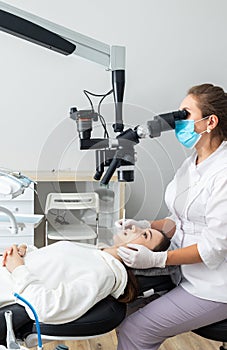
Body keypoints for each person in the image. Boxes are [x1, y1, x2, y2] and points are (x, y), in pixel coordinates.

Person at [116, 83, 227, 350]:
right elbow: (179, 220)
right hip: (183, 273)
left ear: (210, 122)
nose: (177, 122)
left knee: (135, 330)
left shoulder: (224, 173)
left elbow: (215, 246)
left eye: (184, 114)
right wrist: (143, 224)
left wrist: (158, 258)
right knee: (121, 308)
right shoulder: (192, 164)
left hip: (214, 286)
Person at [0, 225, 170, 327]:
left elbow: (47, 308)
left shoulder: (104, 274)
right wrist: (25, 251)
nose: (134, 227)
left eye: (145, 235)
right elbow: (53, 268)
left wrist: (17, 268)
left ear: (143, 256)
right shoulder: (95, 253)